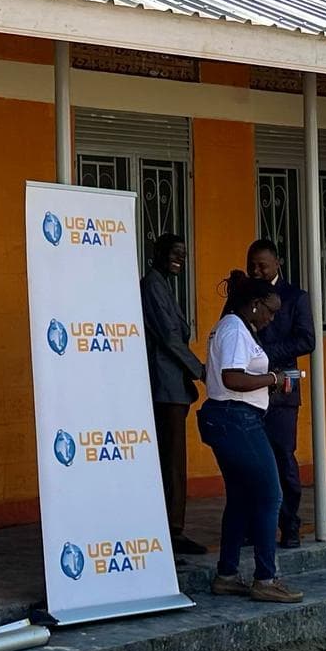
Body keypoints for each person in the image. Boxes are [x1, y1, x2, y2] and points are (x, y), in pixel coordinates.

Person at [198, 270, 304, 604]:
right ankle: (265, 578)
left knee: (242, 498)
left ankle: (227, 575)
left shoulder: (234, 327)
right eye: (270, 311)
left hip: (232, 419)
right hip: (237, 420)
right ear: (254, 304)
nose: (272, 318)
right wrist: (271, 378)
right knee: (270, 496)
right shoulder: (233, 330)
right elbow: (232, 377)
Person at [139, 233, 208, 555]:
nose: (180, 259)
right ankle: (172, 529)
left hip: (172, 385)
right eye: (174, 253)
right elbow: (169, 337)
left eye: (183, 253)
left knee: (172, 461)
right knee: (172, 462)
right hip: (164, 386)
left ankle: (170, 526)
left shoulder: (163, 285)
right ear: (159, 254)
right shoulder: (153, 285)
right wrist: (202, 371)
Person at [246, 238, 315, 548]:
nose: (257, 271)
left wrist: (266, 353)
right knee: (249, 461)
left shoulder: (295, 297)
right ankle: (252, 526)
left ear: (277, 263)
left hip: (281, 391)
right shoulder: (243, 294)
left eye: (262, 265)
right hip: (246, 389)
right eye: (252, 266)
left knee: (283, 457)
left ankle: (290, 526)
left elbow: (306, 340)